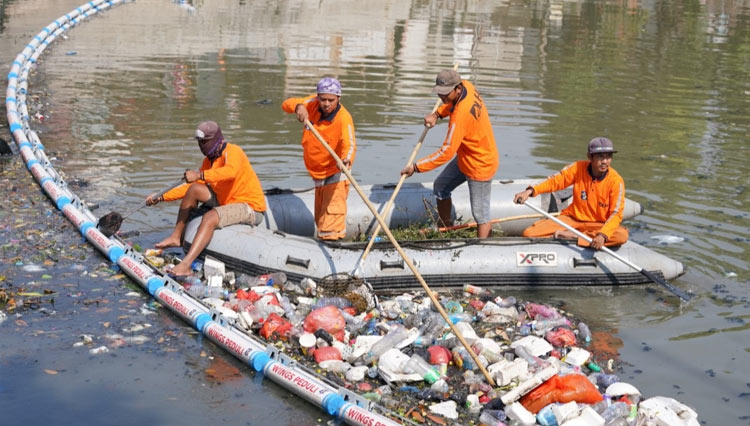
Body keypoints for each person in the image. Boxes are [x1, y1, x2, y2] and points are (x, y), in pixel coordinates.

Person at [147, 121, 267, 276]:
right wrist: (160, 197)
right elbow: (189, 187)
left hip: (249, 206)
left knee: (210, 217)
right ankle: (176, 237)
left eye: (204, 142)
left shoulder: (232, 151)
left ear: (215, 140)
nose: (201, 146)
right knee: (194, 189)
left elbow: (231, 172)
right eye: (199, 142)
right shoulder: (208, 162)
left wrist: (200, 175)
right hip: (226, 199)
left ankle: (186, 265)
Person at [400, 69, 499, 238]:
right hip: (465, 157)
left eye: (446, 94)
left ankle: (484, 248)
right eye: (440, 94)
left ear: (458, 89)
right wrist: (437, 114)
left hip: (480, 164)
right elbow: (450, 104)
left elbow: (446, 152)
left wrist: (416, 167)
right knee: (441, 188)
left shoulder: (460, 116)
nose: (442, 98)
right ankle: (445, 228)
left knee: (481, 214)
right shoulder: (467, 85)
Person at [513, 137, 628, 250]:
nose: (604, 161)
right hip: (572, 219)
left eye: (608, 157)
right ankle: (578, 237)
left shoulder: (616, 181)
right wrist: (530, 191)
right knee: (529, 233)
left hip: (598, 225)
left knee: (621, 235)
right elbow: (555, 181)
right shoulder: (578, 168)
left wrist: (602, 235)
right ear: (590, 157)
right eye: (600, 157)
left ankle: (574, 236)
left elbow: (616, 213)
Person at [281, 77, 356, 240]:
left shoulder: (344, 118)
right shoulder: (312, 103)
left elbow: (349, 144)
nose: (326, 104)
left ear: (338, 99)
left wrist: (346, 160)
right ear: (318, 97)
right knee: (320, 222)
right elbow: (286, 104)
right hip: (318, 176)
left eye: (331, 100)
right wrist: (299, 107)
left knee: (331, 228)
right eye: (323, 99)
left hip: (335, 175)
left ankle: (333, 250)